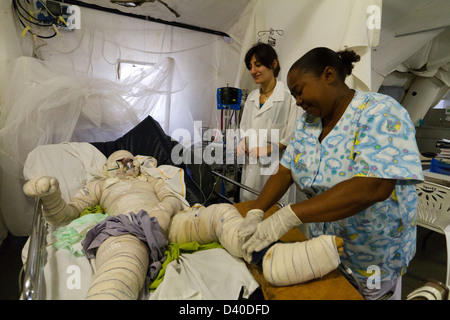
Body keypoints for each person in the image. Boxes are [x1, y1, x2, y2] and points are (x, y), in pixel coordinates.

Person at [242, 47, 424, 300]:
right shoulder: (308, 123)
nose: (297, 101)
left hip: (373, 257)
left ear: (328, 75)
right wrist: (256, 211)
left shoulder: (379, 113)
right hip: (324, 251)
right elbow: (286, 171)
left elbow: (373, 187)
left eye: (299, 91)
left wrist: (288, 216)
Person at [237, 43, 302, 204]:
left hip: (275, 167)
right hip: (251, 166)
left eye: (258, 65)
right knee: (248, 205)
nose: (253, 71)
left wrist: (267, 149)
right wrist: (242, 142)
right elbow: (244, 128)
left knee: (273, 211)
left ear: (273, 64)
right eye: (250, 66)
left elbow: (293, 134)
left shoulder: (288, 98)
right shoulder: (252, 97)